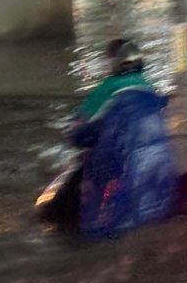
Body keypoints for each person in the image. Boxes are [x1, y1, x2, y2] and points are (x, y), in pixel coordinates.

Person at [65, 39, 180, 239]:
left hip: (124, 176)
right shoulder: (149, 87)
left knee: (94, 227)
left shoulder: (106, 90)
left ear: (112, 64)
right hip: (161, 176)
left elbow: (76, 133)